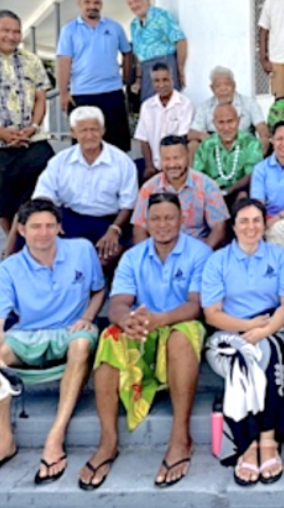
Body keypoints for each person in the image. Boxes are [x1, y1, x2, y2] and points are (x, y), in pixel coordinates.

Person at [78, 193, 212, 490]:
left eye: (169, 218)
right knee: (110, 336)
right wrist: (128, 321)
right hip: (143, 326)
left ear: (181, 220)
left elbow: (195, 305)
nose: (162, 224)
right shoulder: (132, 257)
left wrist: (158, 320)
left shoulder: (199, 253)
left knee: (181, 336)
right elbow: (118, 305)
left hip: (179, 323)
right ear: (146, 222)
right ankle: (108, 442)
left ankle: (180, 438)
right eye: (156, 219)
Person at [0, 199, 105, 484]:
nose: (43, 232)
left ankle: (55, 436)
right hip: (28, 335)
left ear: (59, 227)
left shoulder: (82, 249)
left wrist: (88, 316)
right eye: (35, 227)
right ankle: (4, 438)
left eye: (49, 225)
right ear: (21, 230)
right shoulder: (9, 268)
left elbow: (99, 290)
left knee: (82, 344)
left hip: (72, 330)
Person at [202, 199, 284, 485]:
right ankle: (257, 441)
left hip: (273, 329)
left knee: (263, 350)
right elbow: (212, 314)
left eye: (257, 220)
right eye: (244, 221)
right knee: (243, 357)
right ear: (233, 226)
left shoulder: (278, 257)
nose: (251, 227)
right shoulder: (217, 261)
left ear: (264, 224)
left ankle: (260, 441)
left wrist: (265, 329)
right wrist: (250, 328)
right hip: (228, 334)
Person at [25, 106, 137, 266]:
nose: (90, 135)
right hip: (69, 218)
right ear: (73, 132)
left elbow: (128, 204)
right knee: (38, 240)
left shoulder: (122, 162)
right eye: (83, 130)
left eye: (94, 129)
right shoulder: (60, 161)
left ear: (103, 130)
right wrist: (53, 220)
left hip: (108, 221)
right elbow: (43, 194)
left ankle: (99, 288)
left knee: (105, 257)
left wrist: (115, 229)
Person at [56, 0, 133, 152]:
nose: (92, 6)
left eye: (96, 2)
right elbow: (64, 62)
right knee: (84, 145)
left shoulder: (115, 27)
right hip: (82, 95)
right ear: (79, 3)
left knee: (117, 145)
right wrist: (63, 93)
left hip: (112, 92)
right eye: (87, 2)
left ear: (102, 4)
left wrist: (127, 79)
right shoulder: (68, 31)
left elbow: (127, 53)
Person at [0, 9, 55, 236]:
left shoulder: (32, 60)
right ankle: (11, 244)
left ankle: (27, 235)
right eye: (5, 30)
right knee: (3, 199)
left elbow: (41, 97)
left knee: (48, 172)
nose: (11, 36)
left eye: (16, 32)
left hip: (31, 140)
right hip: (1, 144)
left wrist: (32, 127)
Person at [132, 135, 229, 249]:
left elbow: (219, 228)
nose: (172, 164)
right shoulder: (149, 188)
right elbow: (139, 228)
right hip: (160, 253)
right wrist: (148, 257)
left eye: (177, 158)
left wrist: (202, 256)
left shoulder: (207, 185)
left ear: (188, 156)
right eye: (167, 159)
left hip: (197, 251)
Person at [189, 66, 269, 157]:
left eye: (227, 84)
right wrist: (201, 135)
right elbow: (191, 133)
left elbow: (262, 128)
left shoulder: (249, 103)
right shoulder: (204, 107)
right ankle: (194, 172)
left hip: (244, 145)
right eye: (218, 86)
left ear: (234, 85)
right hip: (214, 149)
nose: (223, 89)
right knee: (193, 144)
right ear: (212, 89)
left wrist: (264, 139)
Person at [193, 104, 263, 205]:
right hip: (211, 194)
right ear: (214, 123)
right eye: (221, 122)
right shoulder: (206, 145)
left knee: (243, 196)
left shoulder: (251, 143)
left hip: (240, 191)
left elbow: (251, 174)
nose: (226, 128)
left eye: (230, 121)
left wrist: (229, 190)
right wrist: (213, 192)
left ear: (238, 121)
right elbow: (198, 174)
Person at [125, 0, 188, 101]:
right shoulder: (134, 24)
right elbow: (139, 55)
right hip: (146, 69)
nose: (134, 5)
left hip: (165, 63)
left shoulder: (161, 15)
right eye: (130, 3)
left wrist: (180, 69)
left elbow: (180, 40)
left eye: (136, 0)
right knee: (150, 105)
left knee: (169, 103)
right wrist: (138, 79)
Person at [135, 62, 195, 180]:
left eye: (165, 80)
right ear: (152, 83)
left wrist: (170, 166)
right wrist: (149, 166)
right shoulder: (147, 106)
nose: (161, 84)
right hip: (154, 164)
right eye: (157, 81)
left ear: (172, 80)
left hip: (175, 165)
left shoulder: (185, 104)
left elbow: (181, 139)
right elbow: (144, 140)